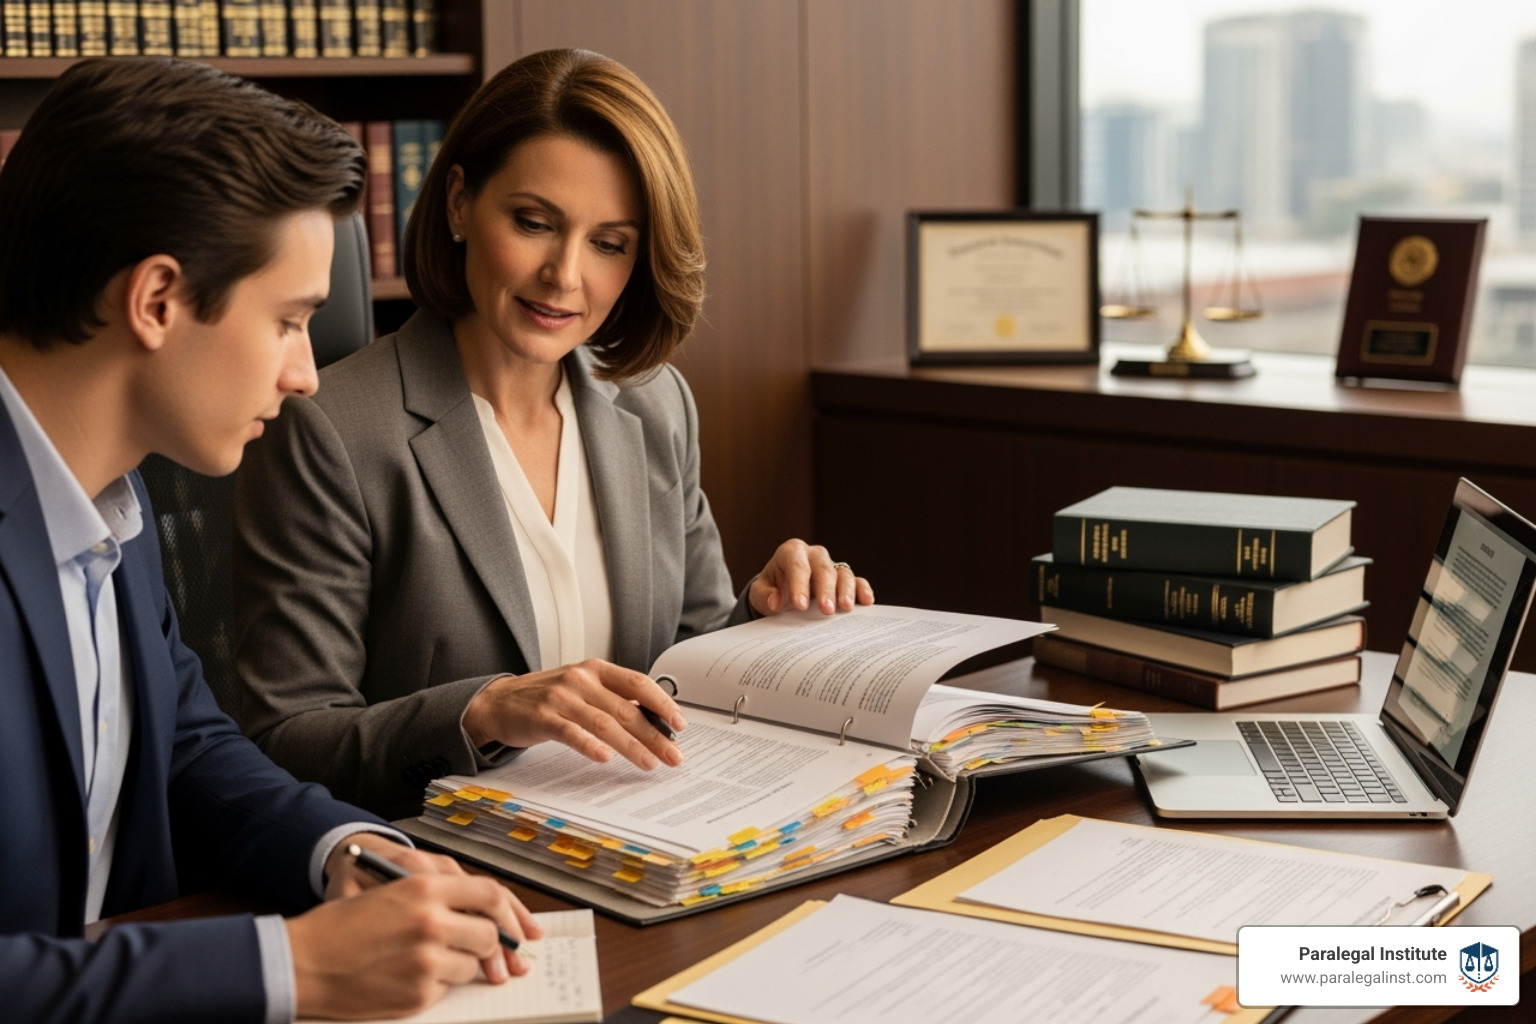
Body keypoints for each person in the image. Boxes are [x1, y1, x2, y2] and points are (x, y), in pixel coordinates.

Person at [0, 58, 542, 1023]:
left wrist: (350, 853)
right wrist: (289, 969)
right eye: (290, 321)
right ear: (158, 299)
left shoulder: (108, 498)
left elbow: (183, 743)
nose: (306, 374)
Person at [231, 48, 874, 820]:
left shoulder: (656, 404)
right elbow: (285, 742)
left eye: (609, 243)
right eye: (534, 223)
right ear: (461, 202)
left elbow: (689, 662)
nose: (565, 275)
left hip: (644, 845)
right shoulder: (331, 430)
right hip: (448, 875)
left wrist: (766, 618)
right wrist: (484, 713)